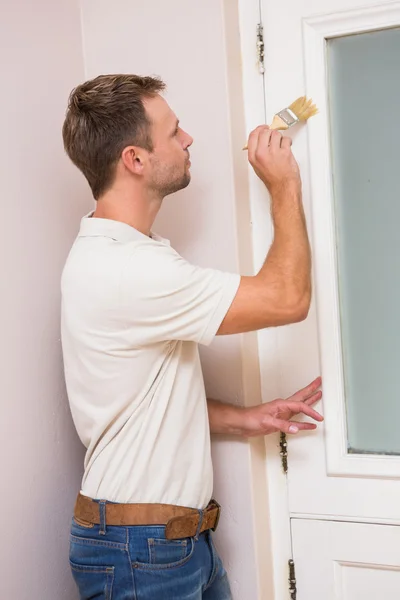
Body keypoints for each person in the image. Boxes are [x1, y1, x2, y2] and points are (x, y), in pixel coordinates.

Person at [61, 74, 323, 600]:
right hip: (141, 553)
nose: (189, 140)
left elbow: (140, 404)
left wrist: (243, 418)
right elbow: (287, 298)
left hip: (170, 544)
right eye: (174, 131)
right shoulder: (126, 269)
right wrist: (285, 183)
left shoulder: (134, 255)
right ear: (135, 159)